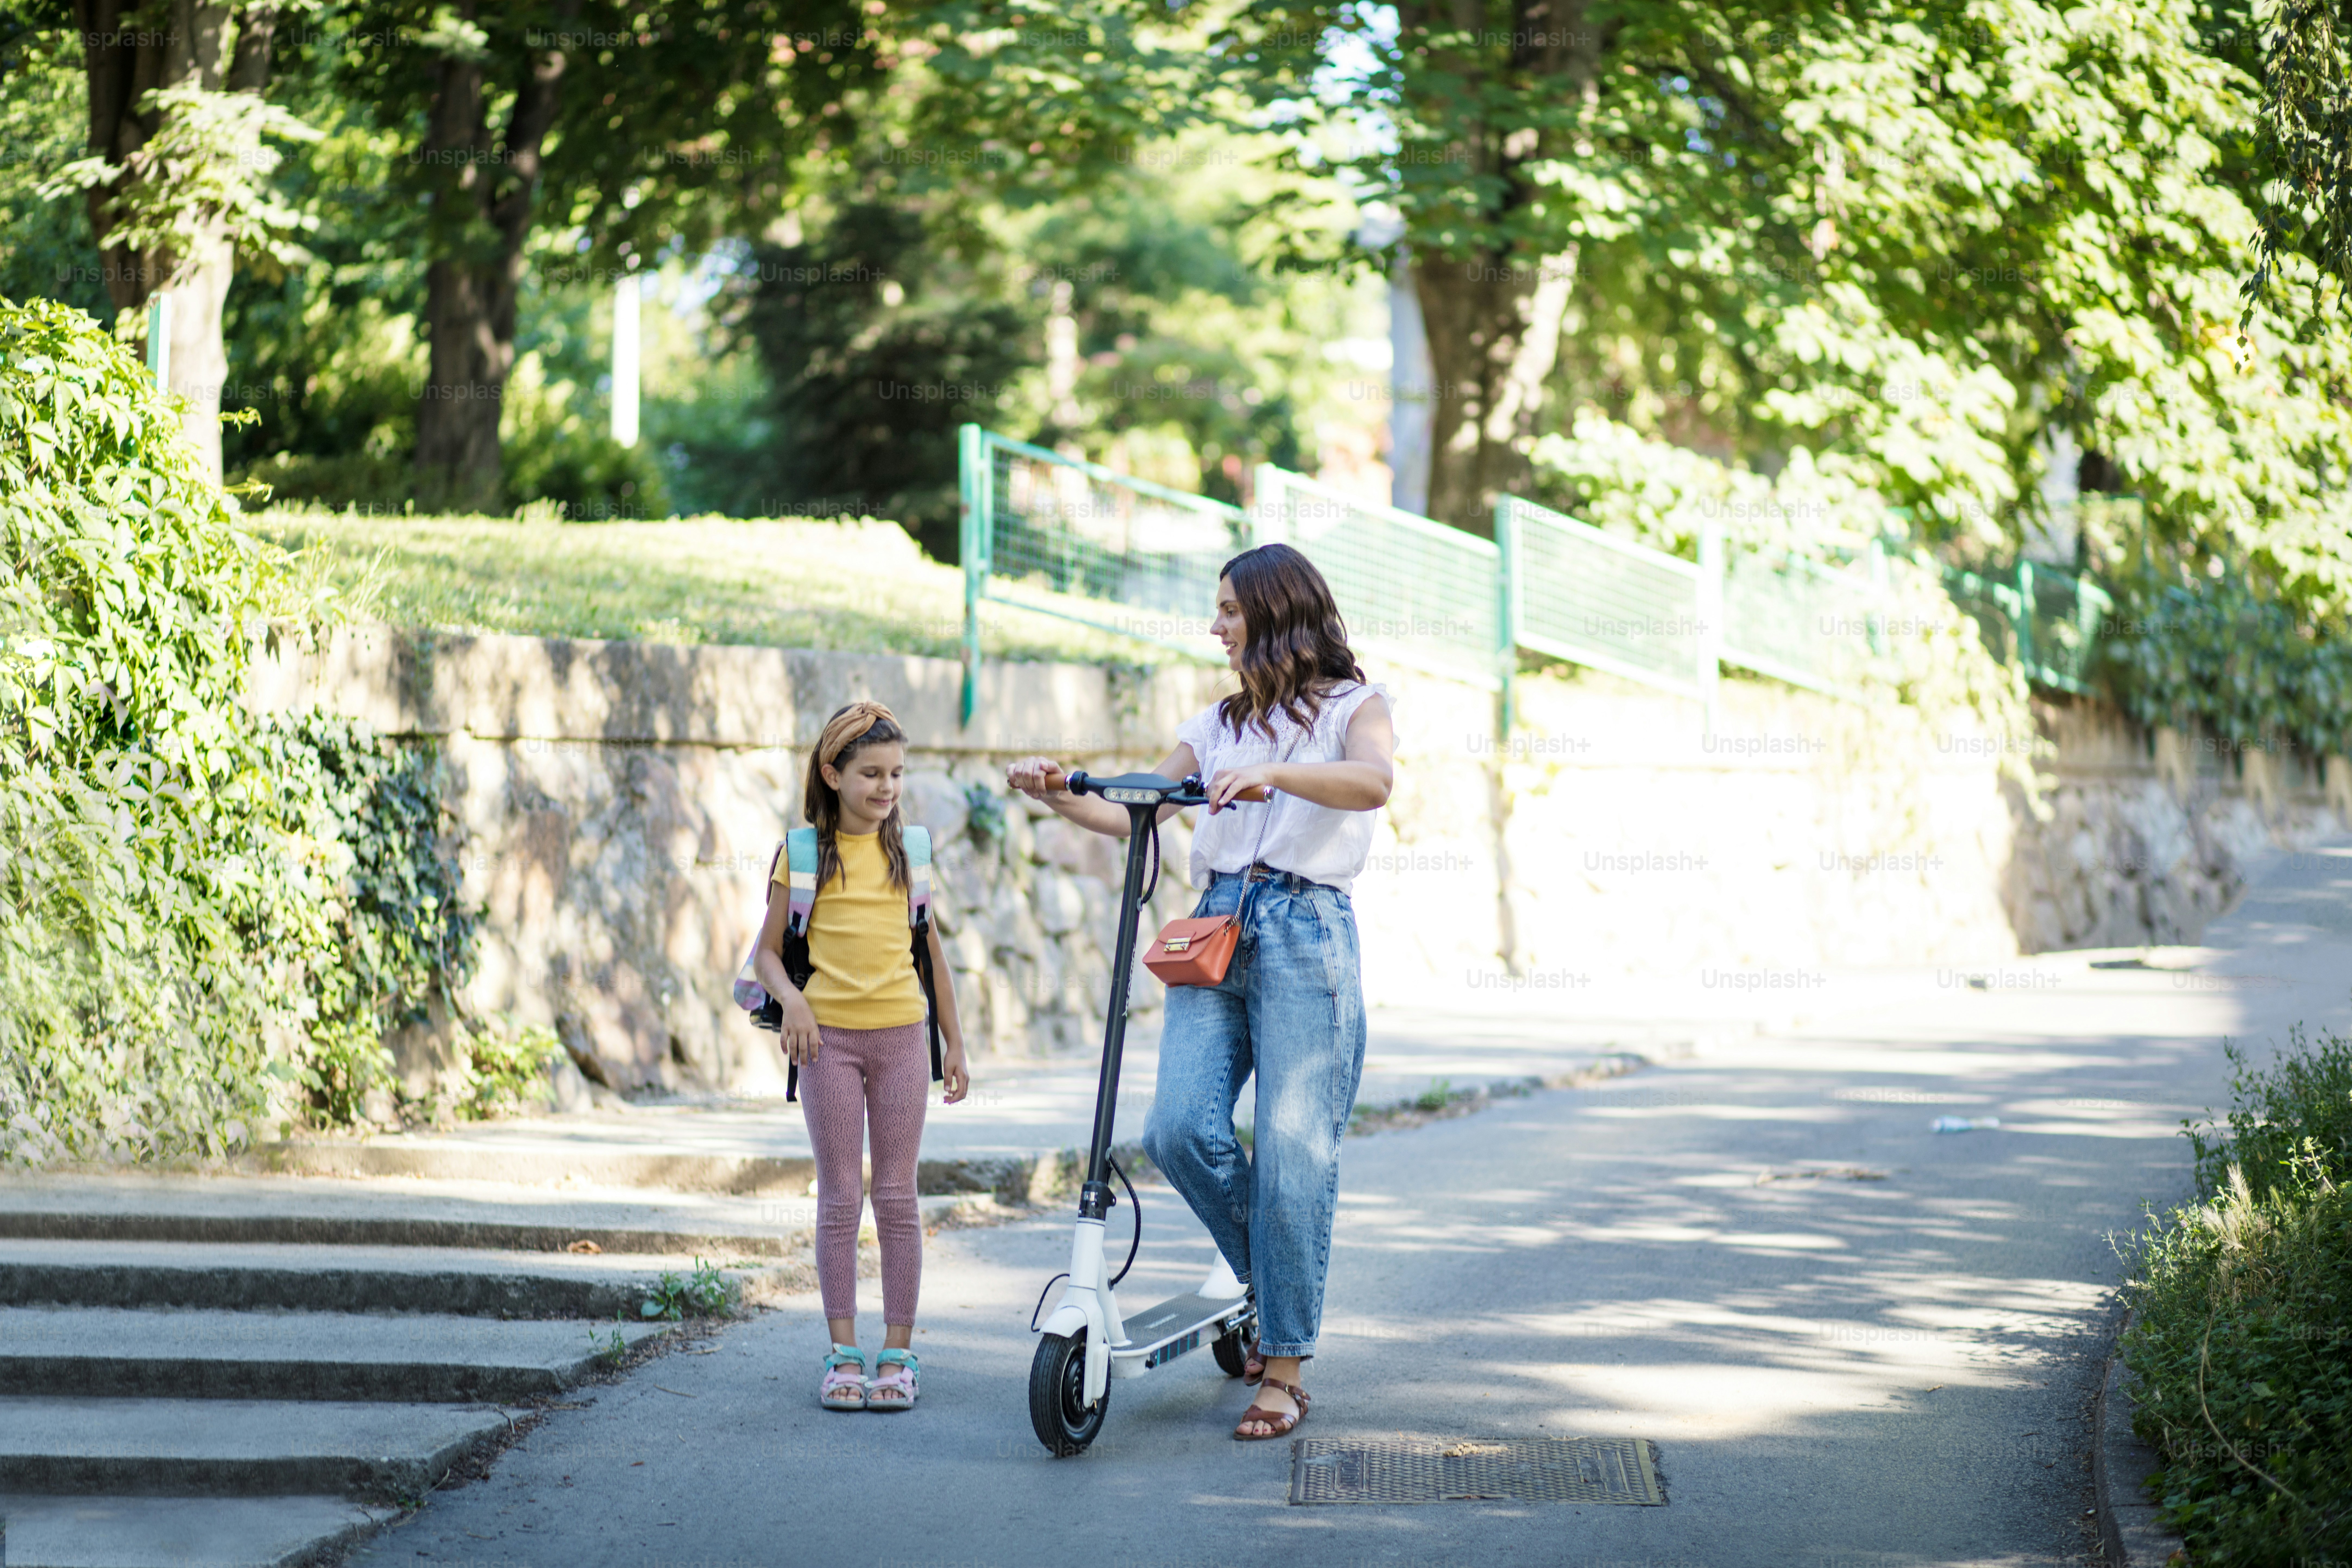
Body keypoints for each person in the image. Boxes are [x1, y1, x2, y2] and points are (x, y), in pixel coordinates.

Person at [1008, 543, 1395, 1440]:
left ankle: (1285, 1365)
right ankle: (1273, 1285)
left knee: (1296, 1157)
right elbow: (1141, 807)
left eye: (1228, 610)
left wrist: (1277, 773)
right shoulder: (1216, 721)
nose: (1215, 626)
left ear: (1276, 612)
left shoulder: (1354, 705)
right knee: (1176, 1129)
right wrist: (1061, 792)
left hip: (1306, 931)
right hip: (1215, 926)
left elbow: (1372, 783)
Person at [752, 701, 970, 1411]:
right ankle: (844, 1355)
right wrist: (795, 1001)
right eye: (871, 774)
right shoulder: (804, 853)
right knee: (841, 1198)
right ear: (832, 774)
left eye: (897, 774)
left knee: (898, 1198)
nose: (886, 788)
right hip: (828, 1046)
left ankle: (898, 1355)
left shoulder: (912, 850)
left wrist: (954, 1042)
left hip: (904, 1039)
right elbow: (764, 956)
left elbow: (930, 952)